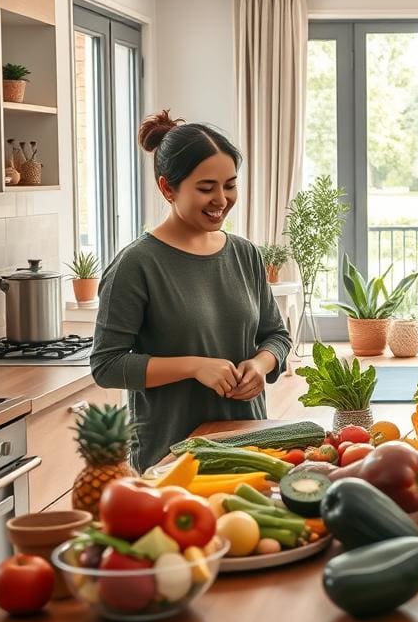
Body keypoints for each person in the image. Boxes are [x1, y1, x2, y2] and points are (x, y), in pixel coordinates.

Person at [91, 110, 292, 471]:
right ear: (168, 188)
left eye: (230, 185)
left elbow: (275, 334)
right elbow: (107, 365)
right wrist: (194, 367)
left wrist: (262, 365)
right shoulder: (136, 265)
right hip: (172, 457)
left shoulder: (244, 253)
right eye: (205, 188)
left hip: (251, 443)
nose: (221, 199)